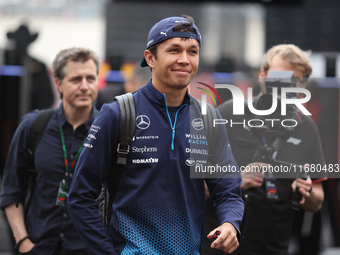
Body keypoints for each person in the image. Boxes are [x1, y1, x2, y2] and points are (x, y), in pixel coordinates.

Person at [68, 15, 244, 255]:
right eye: (174, 50)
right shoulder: (118, 113)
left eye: (193, 51)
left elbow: (228, 192)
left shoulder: (208, 118)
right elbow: (80, 197)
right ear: (150, 58)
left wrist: (230, 224)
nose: (184, 60)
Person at [202, 44, 326, 255]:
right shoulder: (228, 113)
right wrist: (236, 180)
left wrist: (306, 190)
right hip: (217, 247)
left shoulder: (306, 127)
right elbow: (191, 185)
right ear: (262, 75)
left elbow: (317, 201)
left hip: (273, 248)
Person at [0, 47, 99, 255]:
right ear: (58, 84)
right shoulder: (33, 126)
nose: (84, 86)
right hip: (39, 247)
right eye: (75, 79)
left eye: (90, 78)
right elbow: (11, 191)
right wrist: (23, 242)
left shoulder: (110, 130)